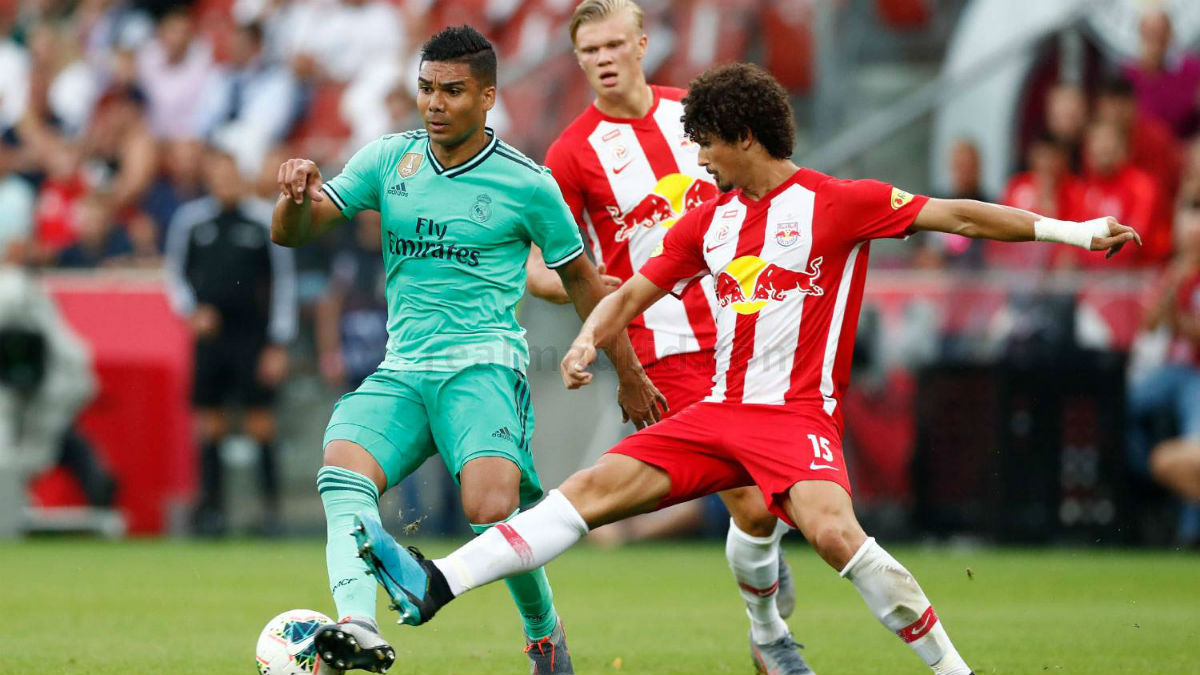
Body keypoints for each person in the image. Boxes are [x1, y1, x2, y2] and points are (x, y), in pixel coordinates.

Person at [351, 62, 1140, 675]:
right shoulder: (709, 222)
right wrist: (591, 338)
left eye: (705, 142)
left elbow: (960, 213)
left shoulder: (840, 202)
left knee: (833, 535)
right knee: (587, 490)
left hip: (796, 416)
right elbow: (633, 290)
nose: (698, 157)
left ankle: (953, 668)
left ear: (743, 138)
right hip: (718, 412)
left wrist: (1074, 231)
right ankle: (437, 583)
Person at [270, 25, 663, 675]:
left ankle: (543, 633)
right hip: (403, 370)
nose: (434, 103)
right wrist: (291, 200)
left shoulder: (528, 185)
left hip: (482, 366)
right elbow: (297, 232)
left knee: (490, 510)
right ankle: (358, 625)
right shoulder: (386, 161)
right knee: (341, 471)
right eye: (425, 88)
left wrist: (627, 372)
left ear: (487, 98)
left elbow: (586, 285)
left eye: (452, 91)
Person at [524, 1, 800, 671]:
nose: (604, 59)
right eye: (590, 51)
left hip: (747, 326)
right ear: (579, 59)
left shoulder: (697, 116)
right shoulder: (571, 152)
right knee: (743, 492)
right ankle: (772, 641)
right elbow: (536, 269)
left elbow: (765, 190)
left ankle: (764, 609)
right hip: (662, 344)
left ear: (644, 43)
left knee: (765, 509)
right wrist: (603, 285)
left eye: (615, 44)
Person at [164, 146, 297, 538]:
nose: (224, 183)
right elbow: (175, 273)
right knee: (211, 425)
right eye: (217, 176)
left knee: (261, 424)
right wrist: (192, 310)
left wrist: (278, 342)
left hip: (253, 337)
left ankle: (270, 512)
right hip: (212, 337)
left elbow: (283, 282)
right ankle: (212, 511)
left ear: (241, 176)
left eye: (230, 175)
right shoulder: (192, 221)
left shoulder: (262, 221)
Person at [1128, 199, 1200, 546]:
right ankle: (1145, 486)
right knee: (1121, 406)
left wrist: (1178, 321)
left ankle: (1189, 533)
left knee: (1194, 442)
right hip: (1173, 368)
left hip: (1197, 373)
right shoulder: (1177, 271)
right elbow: (1149, 323)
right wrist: (1173, 283)